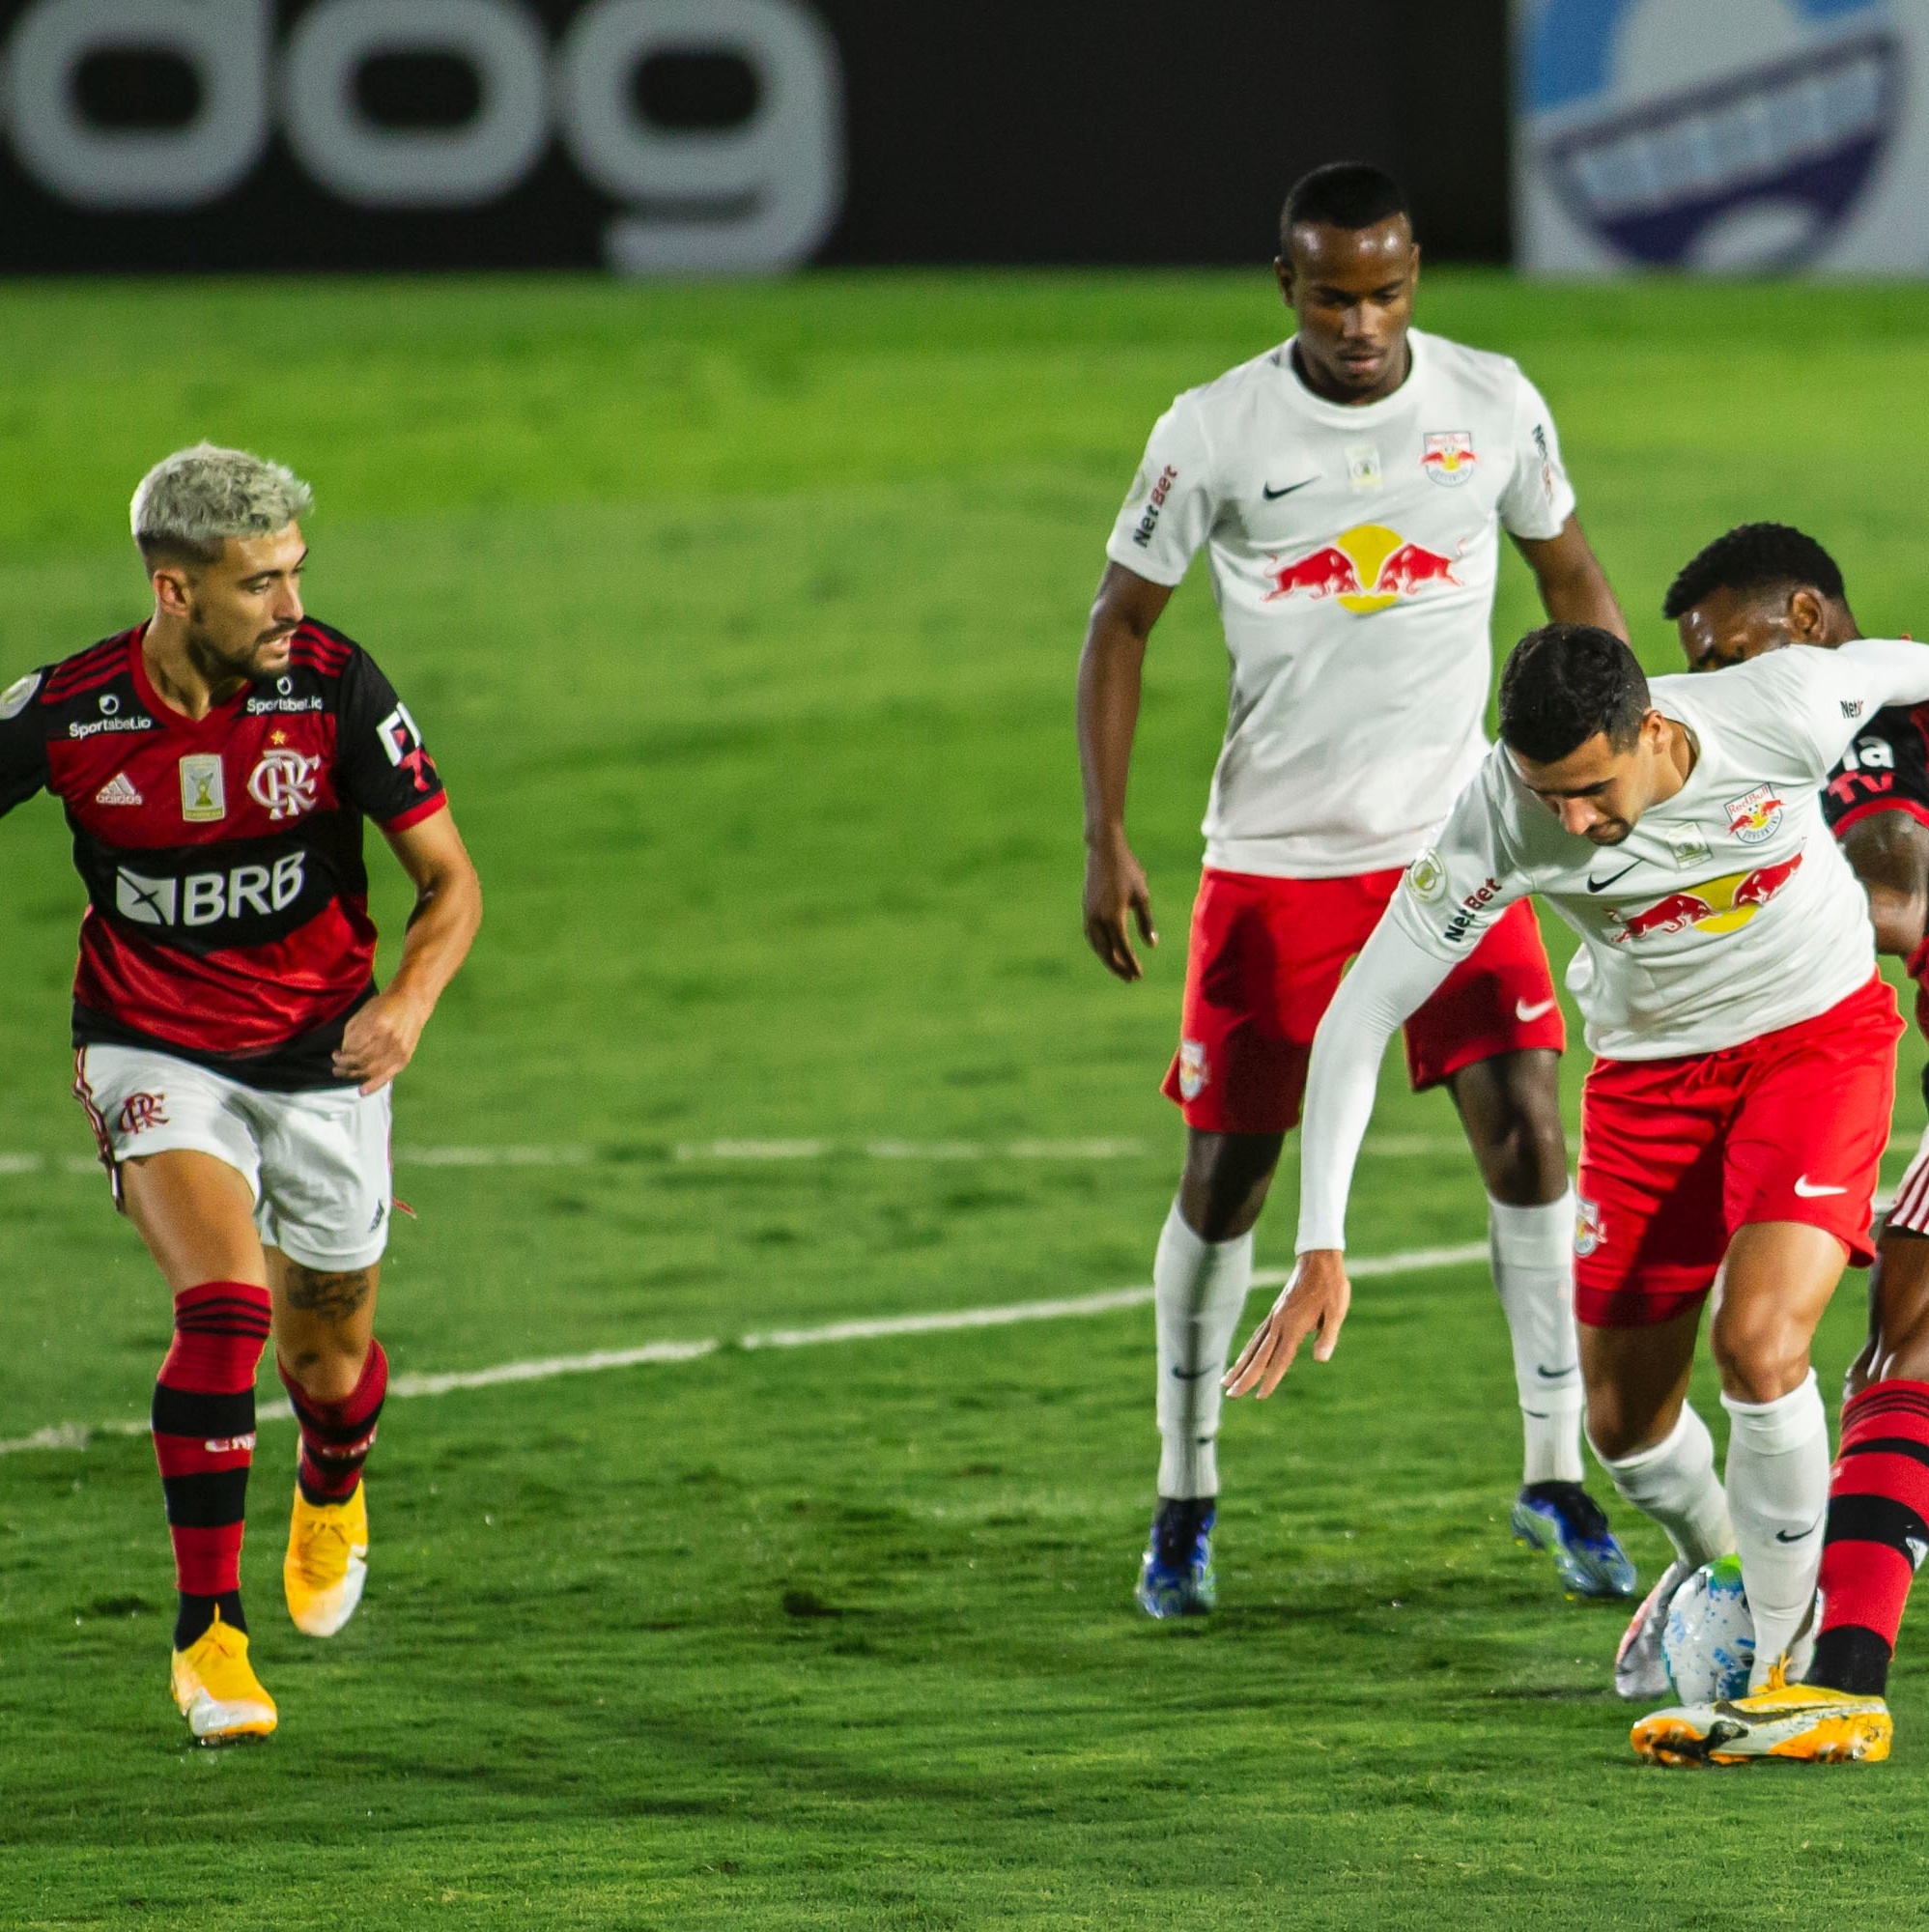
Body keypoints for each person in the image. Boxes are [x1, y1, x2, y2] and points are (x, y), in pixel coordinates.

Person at [1077, 160, 1632, 1616]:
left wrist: (1623, 771)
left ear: (1414, 277)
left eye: (1386, 291)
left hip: (1458, 841)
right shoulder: (1212, 431)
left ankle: (1553, 1472)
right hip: (1275, 864)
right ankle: (1184, 1494)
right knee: (1228, 1179)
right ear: (1288, 288)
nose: (1364, 322)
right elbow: (1119, 623)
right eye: (1334, 295)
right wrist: (1105, 834)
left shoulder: (1492, 400)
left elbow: (1571, 576)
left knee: (1527, 1129)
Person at [1226, 619, 1929, 1764]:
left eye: (1590, 789)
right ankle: (1727, 1565)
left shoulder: (1784, 707)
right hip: (1648, 1086)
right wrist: (1319, 1242)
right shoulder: (1499, 817)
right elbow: (1359, 1012)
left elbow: (1905, 665)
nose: (1569, 821)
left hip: (1814, 1041)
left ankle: (1787, 1671)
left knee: (1757, 1342)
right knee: (1622, 1424)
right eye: (1543, 793)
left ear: (1650, 728)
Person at [0, 443, 481, 1744]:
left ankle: (334, 1472)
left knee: (324, 1357)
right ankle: (208, 1639)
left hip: (324, 1060)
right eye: (259, 582)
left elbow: (451, 880)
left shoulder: (334, 688)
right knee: (221, 1303)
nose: (291, 607)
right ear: (174, 590)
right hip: (151, 1047)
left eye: (296, 574)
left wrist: (407, 1005)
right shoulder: (70, 713)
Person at [1665, 522, 1929, 1739]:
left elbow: (1894, 885)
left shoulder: (1849, 730)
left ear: (1809, 621)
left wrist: (1727, 909)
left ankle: (1840, 1681)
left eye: (1728, 656)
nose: (1714, 689)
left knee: (1904, 1356)